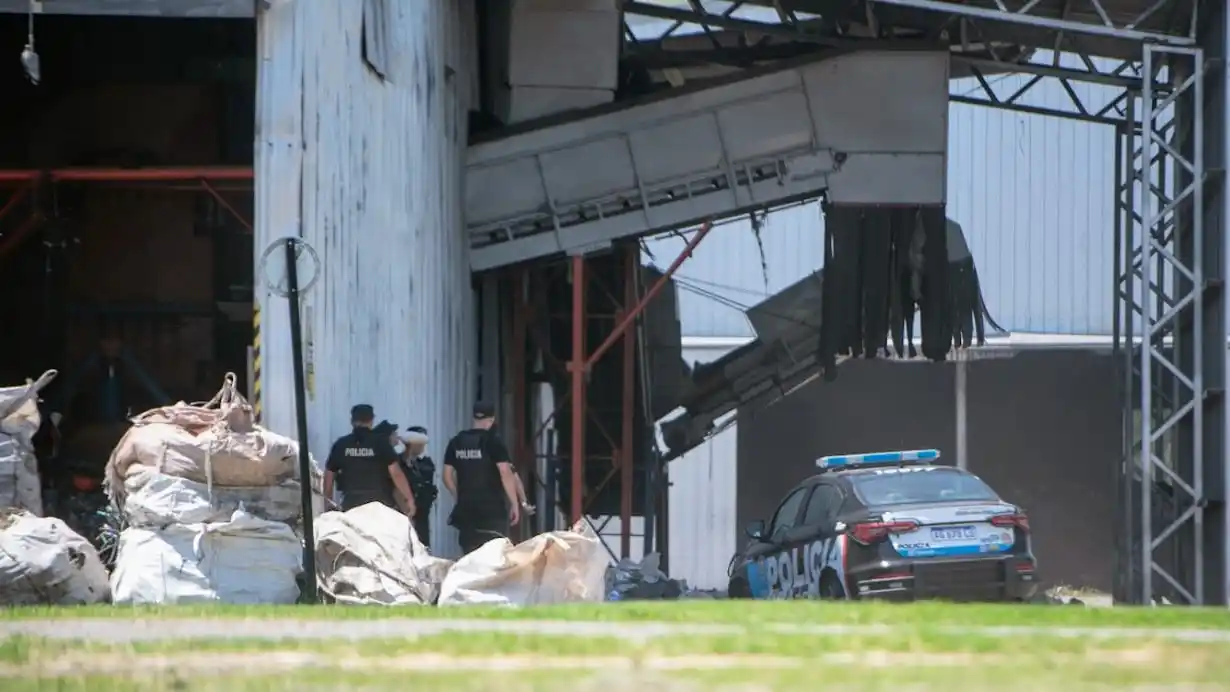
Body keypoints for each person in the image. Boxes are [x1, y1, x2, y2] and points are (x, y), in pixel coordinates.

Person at [442, 402, 520, 553]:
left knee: (469, 554)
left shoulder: (456, 442)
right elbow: (505, 472)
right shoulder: (493, 442)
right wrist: (514, 503)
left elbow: (446, 476)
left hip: (466, 510)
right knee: (493, 554)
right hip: (491, 511)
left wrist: (458, 496)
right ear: (491, 420)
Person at [322, 405, 416, 517]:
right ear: (371, 420)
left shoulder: (341, 444)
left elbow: (329, 475)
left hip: (351, 505)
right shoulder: (381, 443)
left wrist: (328, 502)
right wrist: (409, 499)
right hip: (378, 505)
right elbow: (396, 474)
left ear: (352, 421)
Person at [401, 425, 438, 547]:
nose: (423, 446)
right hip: (404, 511)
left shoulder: (426, 463)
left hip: (422, 511)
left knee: (423, 544)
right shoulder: (400, 462)